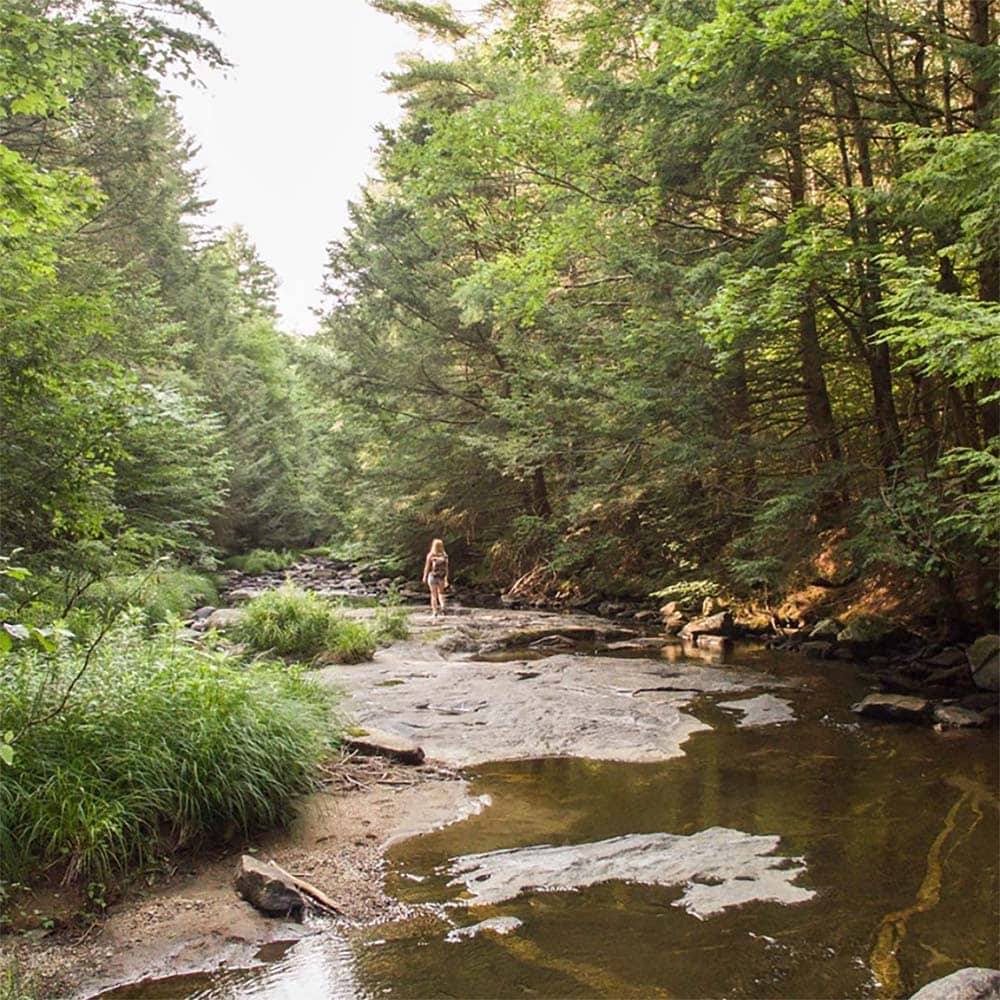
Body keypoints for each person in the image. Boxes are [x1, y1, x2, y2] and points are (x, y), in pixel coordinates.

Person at [422, 538, 450, 617]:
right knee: (441, 593)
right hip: (441, 577)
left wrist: (425, 576)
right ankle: (443, 606)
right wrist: (446, 579)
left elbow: (427, 567)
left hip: (432, 576)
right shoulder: (444, 556)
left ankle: (435, 612)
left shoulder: (430, 555)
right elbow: (447, 568)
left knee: (433, 595)